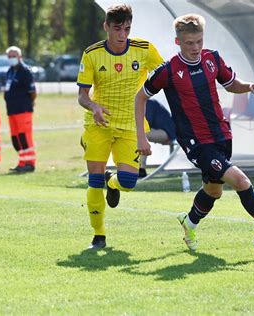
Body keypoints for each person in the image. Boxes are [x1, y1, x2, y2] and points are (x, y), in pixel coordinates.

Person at [135, 14, 254, 253]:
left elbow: (230, 83)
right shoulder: (169, 70)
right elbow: (140, 96)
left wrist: (249, 86)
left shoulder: (212, 59)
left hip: (221, 134)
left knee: (213, 191)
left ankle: (190, 222)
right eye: (189, 43)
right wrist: (142, 136)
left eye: (199, 41)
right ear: (178, 42)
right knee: (241, 182)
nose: (195, 48)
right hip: (196, 142)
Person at [77, 4, 163, 250]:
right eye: (117, 28)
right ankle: (99, 235)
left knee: (128, 181)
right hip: (98, 125)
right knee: (93, 181)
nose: (122, 34)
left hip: (130, 125)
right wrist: (93, 107)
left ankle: (111, 182)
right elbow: (82, 95)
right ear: (106, 27)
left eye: (126, 28)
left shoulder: (144, 50)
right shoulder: (92, 54)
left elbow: (166, 72)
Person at [4, 46, 37, 173]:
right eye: (10, 56)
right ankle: (22, 161)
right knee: (15, 138)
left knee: (24, 136)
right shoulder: (10, 71)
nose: (12, 58)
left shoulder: (25, 71)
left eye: (14, 56)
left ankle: (30, 163)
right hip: (11, 110)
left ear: (20, 57)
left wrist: (29, 103)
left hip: (23, 110)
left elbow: (32, 91)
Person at [139, 99, 176, 178]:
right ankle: (139, 168)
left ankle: (141, 168)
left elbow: (147, 124)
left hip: (168, 133)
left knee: (141, 134)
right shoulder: (146, 102)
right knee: (140, 134)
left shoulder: (147, 103)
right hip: (165, 131)